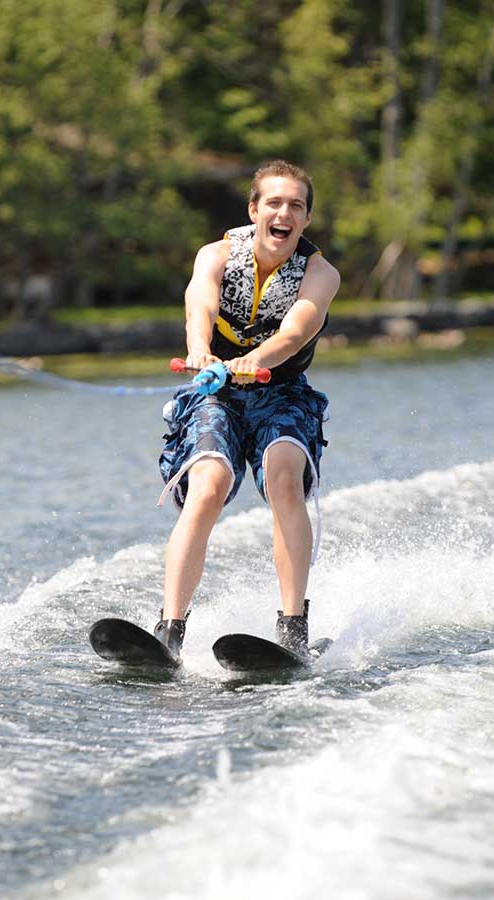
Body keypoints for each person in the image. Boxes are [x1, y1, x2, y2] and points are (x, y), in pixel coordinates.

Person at [155, 160, 340, 660]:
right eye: (274, 203)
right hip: (216, 394)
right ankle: (169, 630)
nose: (284, 213)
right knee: (209, 484)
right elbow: (201, 307)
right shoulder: (215, 256)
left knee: (283, 476)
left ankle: (293, 629)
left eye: (296, 206)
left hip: (282, 393)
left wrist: (250, 361)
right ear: (254, 210)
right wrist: (200, 351)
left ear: (305, 220)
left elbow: (296, 331)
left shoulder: (320, 274)